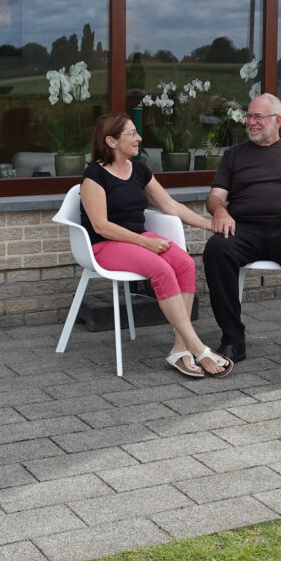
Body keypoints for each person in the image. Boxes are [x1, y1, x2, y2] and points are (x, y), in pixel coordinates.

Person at [79, 112, 233, 378]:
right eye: (132, 134)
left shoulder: (139, 170)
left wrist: (209, 224)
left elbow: (169, 205)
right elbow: (101, 226)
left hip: (139, 239)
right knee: (161, 269)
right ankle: (198, 347)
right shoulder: (94, 175)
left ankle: (180, 348)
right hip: (106, 245)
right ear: (111, 141)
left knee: (185, 264)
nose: (139, 138)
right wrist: (145, 243)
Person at [203, 93, 281, 388]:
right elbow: (215, 197)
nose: (251, 122)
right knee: (216, 249)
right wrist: (220, 211)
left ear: (278, 120)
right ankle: (233, 340)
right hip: (245, 230)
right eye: (249, 116)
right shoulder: (234, 155)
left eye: (257, 117)